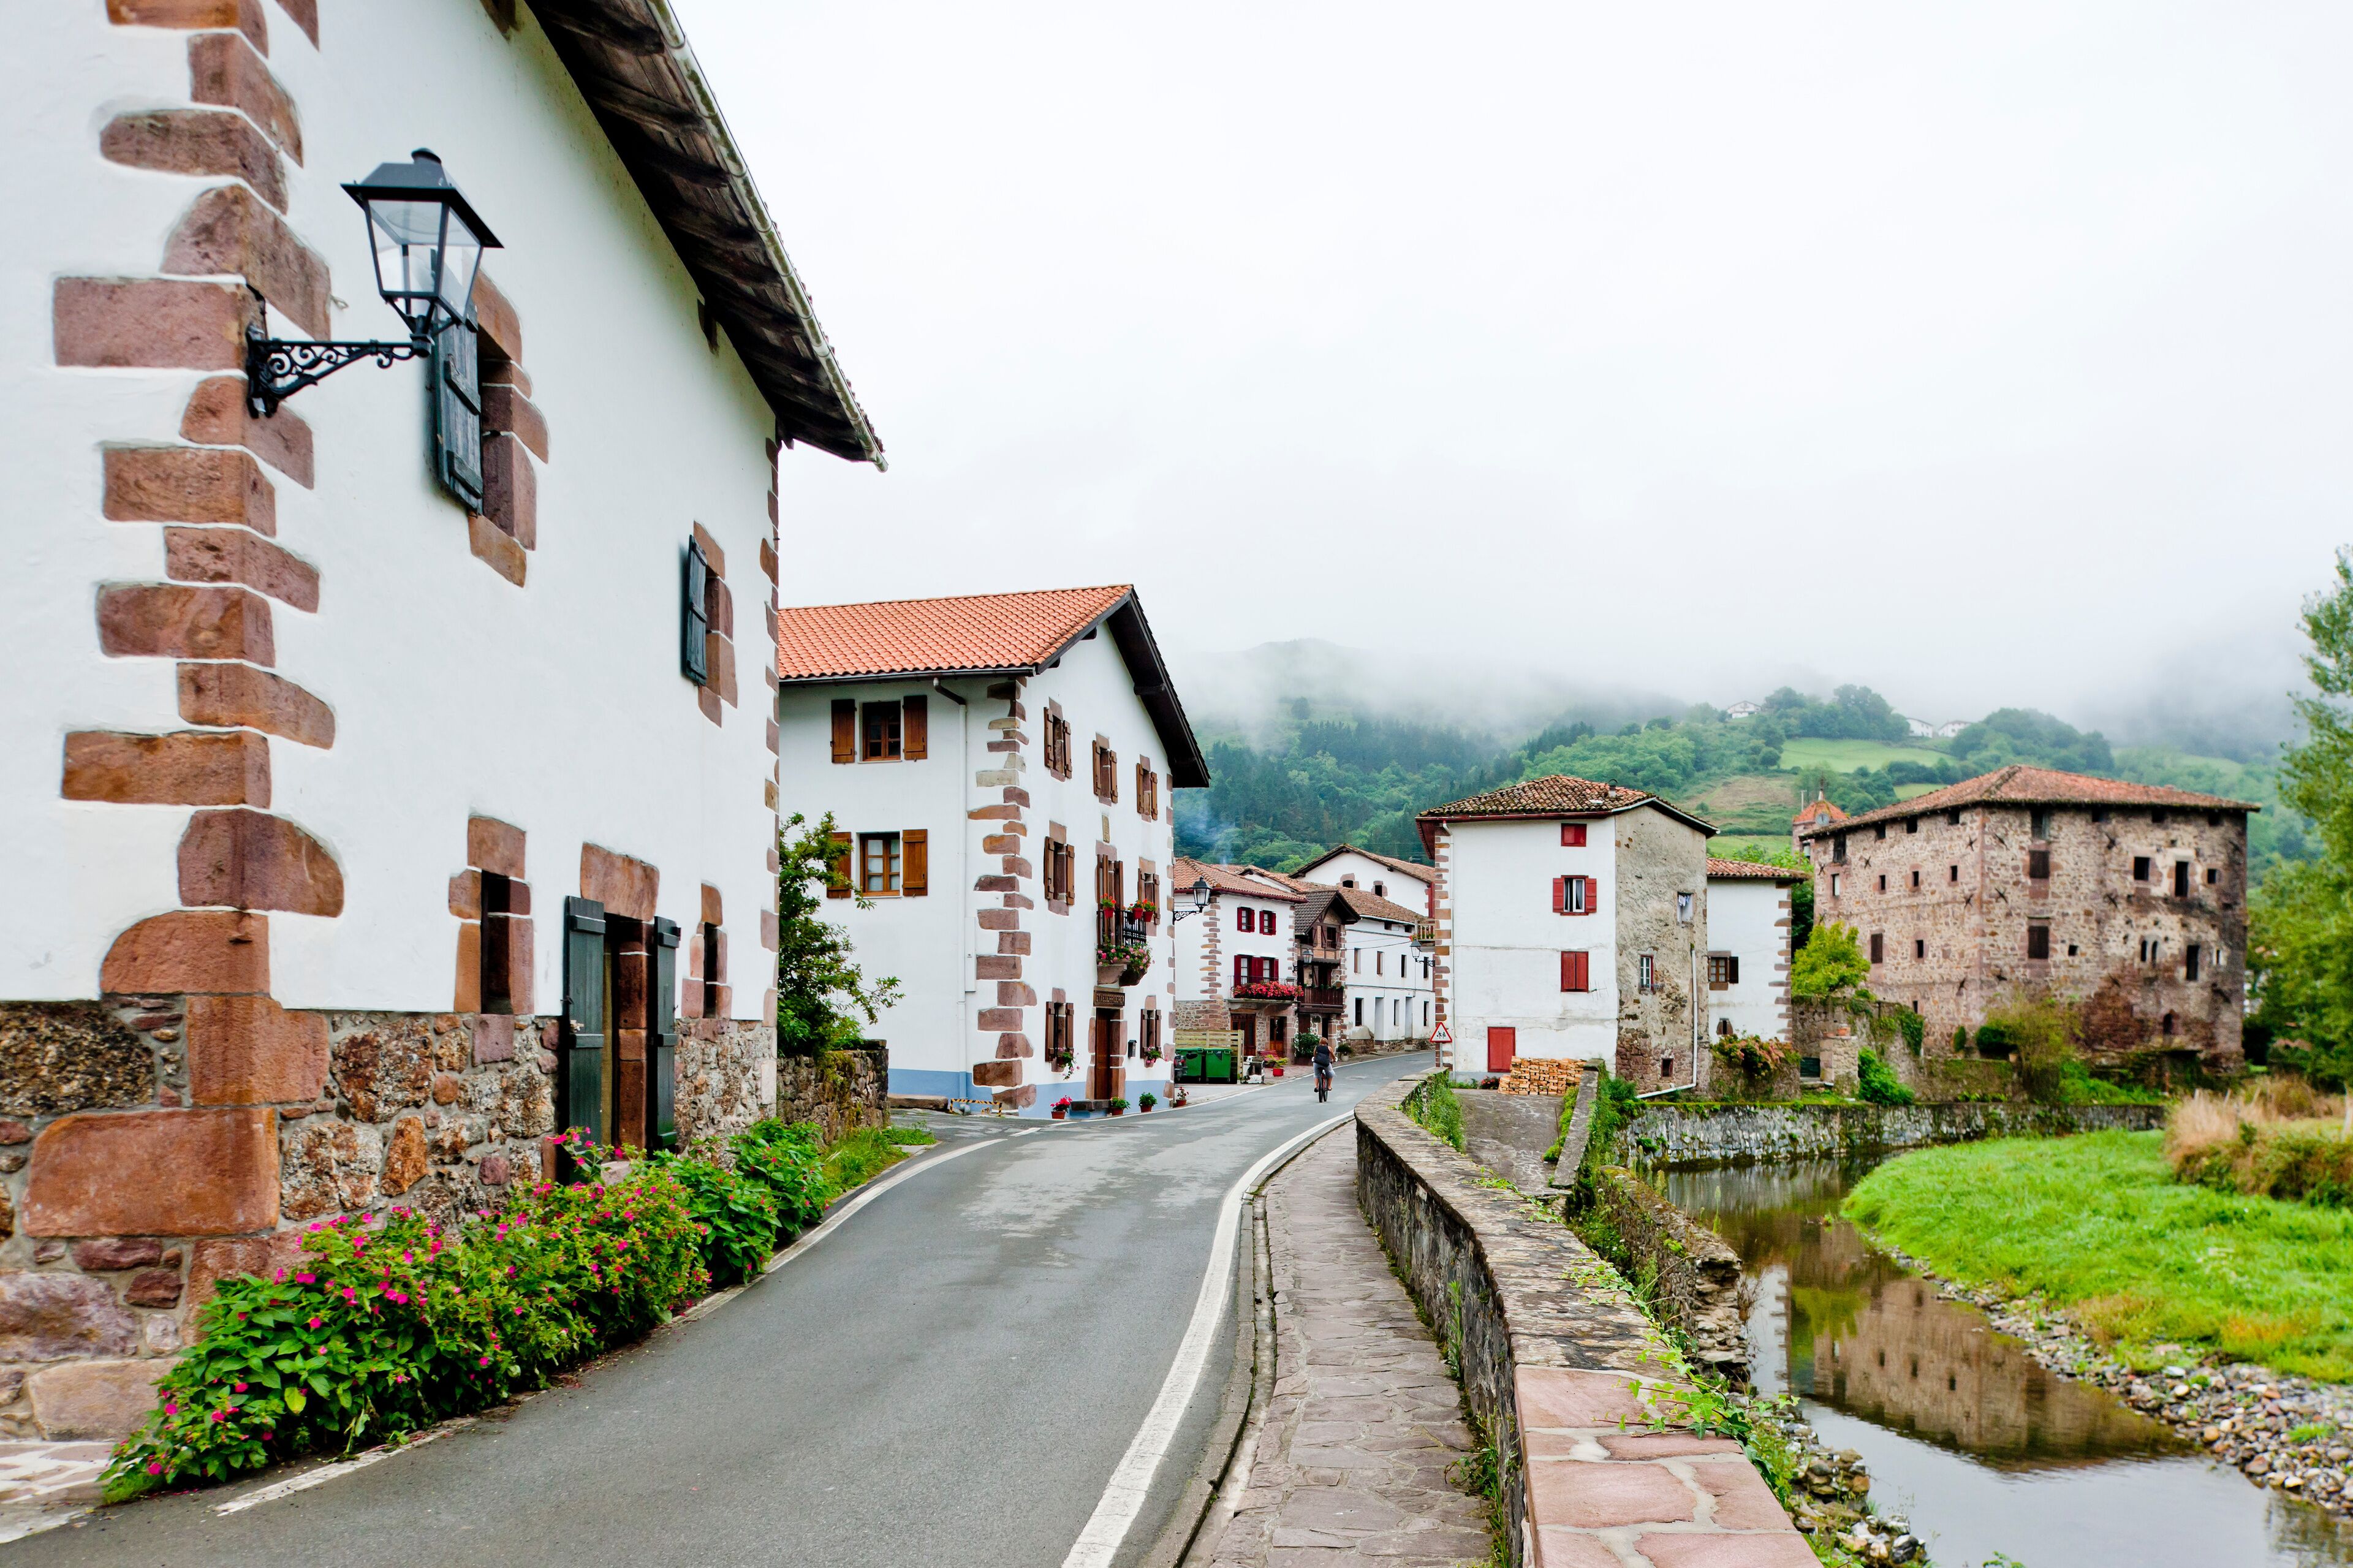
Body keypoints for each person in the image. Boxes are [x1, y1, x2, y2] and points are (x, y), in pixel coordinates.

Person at [1313, 1036, 1335, 1102]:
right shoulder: (1329, 1048)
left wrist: (1316, 1058)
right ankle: (1329, 1086)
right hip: (1326, 1064)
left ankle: (1316, 1086)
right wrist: (1334, 1059)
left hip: (1317, 1063)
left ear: (1320, 1043)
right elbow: (1333, 1055)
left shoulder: (1317, 1047)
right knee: (1331, 1073)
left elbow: (1314, 1054)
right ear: (1326, 1043)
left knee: (1316, 1074)